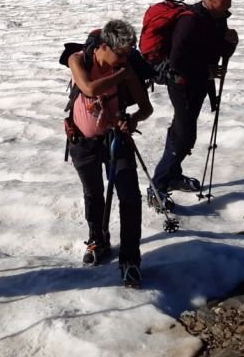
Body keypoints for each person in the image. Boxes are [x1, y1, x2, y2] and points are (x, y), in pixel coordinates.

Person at [66, 19, 153, 287]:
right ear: (104, 46)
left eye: (128, 54)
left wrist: (133, 120)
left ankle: (130, 259)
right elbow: (89, 88)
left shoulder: (124, 67)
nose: (125, 59)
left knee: (130, 197)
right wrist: (121, 75)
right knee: (93, 192)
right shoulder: (78, 59)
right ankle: (98, 239)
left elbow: (146, 107)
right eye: (121, 53)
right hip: (82, 141)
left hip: (116, 138)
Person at [150, 0, 238, 208]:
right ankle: (157, 186)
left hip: (198, 83)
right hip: (182, 84)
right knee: (185, 136)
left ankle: (173, 176)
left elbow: (217, 51)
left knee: (181, 130)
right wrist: (206, 71)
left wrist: (230, 44)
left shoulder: (217, 19)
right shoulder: (190, 20)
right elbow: (177, 60)